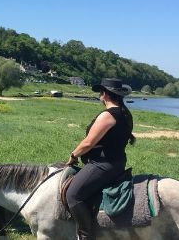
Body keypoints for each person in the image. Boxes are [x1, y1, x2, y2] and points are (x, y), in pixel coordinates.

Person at [65, 78, 136, 240]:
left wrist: (73, 155)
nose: (99, 95)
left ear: (105, 94)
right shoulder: (124, 112)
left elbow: (89, 142)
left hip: (103, 165)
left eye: (100, 92)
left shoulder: (108, 115)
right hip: (117, 163)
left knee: (73, 195)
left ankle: (85, 235)